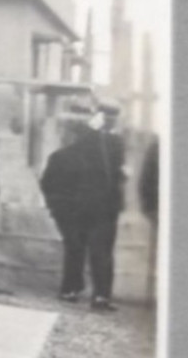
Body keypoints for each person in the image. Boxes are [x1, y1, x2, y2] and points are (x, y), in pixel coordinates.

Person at [40, 106, 126, 310]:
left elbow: (48, 186)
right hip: (102, 209)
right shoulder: (112, 148)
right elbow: (118, 177)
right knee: (101, 252)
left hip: (73, 211)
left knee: (75, 249)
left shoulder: (59, 156)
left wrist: (57, 210)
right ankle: (101, 296)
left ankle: (71, 289)